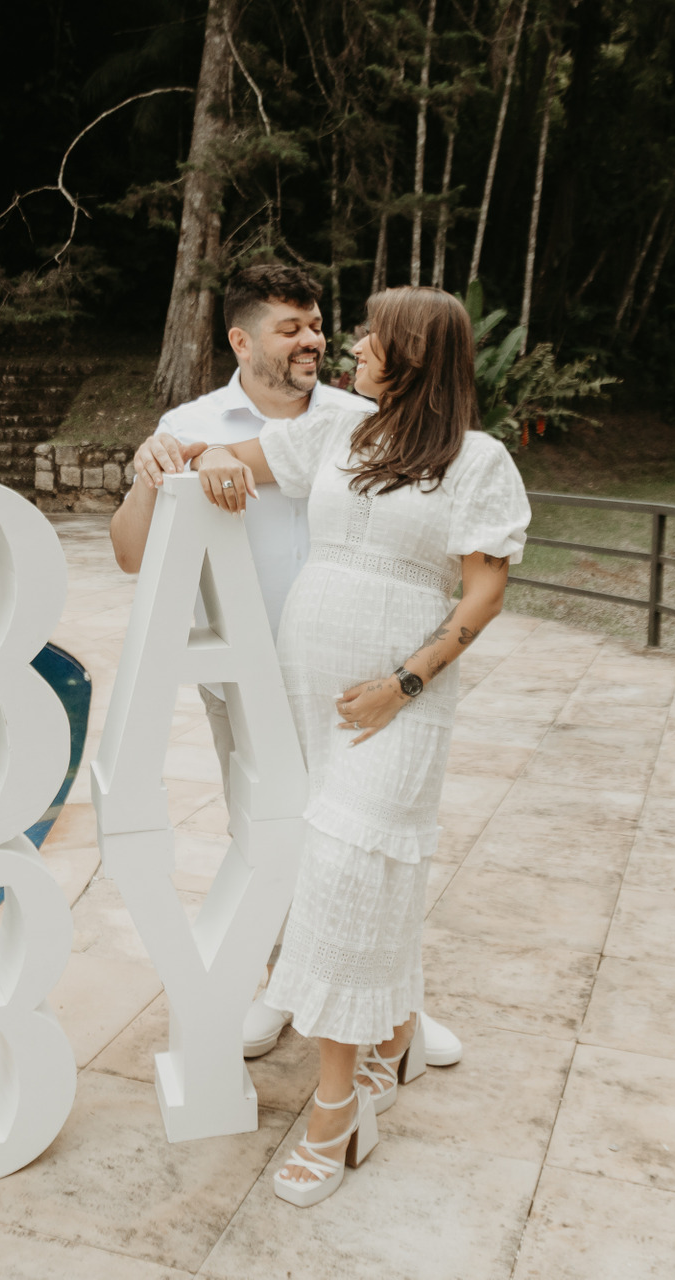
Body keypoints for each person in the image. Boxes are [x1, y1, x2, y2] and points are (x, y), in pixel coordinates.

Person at [176, 286, 530, 1207]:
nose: (357, 346)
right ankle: (394, 1032)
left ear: (414, 355)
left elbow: (484, 592)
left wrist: (404, 682)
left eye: (375, 337)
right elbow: (231, 455)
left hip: (398, 703)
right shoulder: (338, 434)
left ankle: (336, 1112)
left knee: (345, 874)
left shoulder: (478, 459)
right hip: (308, 691)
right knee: (361, 874)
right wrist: (195, 456)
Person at [109, 264, 466, 1071]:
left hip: (359, 679)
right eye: (291, 328)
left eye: (317, 325)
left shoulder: (365, 417)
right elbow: (131, 555)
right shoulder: (189, 425)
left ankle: (396, 1006)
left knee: (373, 843)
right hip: (245, 677)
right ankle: (280, 985)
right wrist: (161, 469)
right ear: (241, 341)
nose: (314, 341)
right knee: (268, 835)